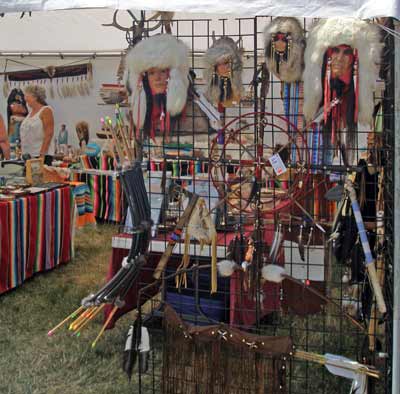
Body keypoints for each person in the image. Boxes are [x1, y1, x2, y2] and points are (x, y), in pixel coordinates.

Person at [20, 84, 55, 165]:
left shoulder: (46, 110)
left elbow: (49, 134)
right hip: (28, 155)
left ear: (35, 97)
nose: (25, 98)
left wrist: (42, 155)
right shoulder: (30, 114)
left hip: (40, 155)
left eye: (27, 96)